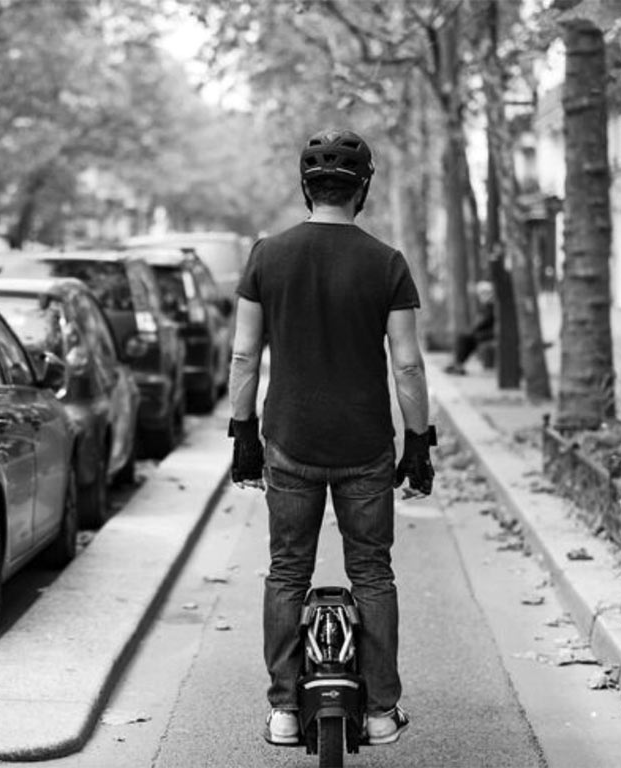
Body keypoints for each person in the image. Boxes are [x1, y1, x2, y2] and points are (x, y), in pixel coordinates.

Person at [227, 128, 436, 748]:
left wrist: (242, 434)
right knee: (372, 573)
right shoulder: (387, 263)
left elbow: (243, 355)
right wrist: (418, 442)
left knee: (286, 572)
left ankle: (286, 713)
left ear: (306, 187)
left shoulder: (267, 256)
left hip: (289, 441)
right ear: (362, 188)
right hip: (365, 447)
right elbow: (408, 365)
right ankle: (380, 711)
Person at [443, 280, 495, 375]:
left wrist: (474, 329)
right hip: (486, 332)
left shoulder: (491, 305)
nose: (481, 296)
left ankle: (458, 364)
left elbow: (484, 322)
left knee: (466, 338)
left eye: (484, 293)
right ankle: (458, 363)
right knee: (465, 337)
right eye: (481, 293)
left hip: (491, 332)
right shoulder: (486, 305)